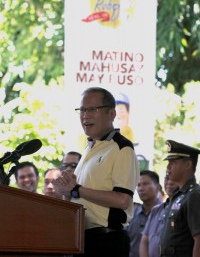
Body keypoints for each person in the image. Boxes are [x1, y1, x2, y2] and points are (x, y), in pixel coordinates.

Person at [52, 87, 139, 257]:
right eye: (82, 110)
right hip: (82, 239)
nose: (85, 115)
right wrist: (66, 192)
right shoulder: (88, 149)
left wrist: (76, 189)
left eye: (92, 109)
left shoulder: (122, 148)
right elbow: (77, 196)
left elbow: (122, 200)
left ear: (111, 114)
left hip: (107, 241)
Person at [160, 139, 200, 257]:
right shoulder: (178, 195)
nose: (168, 168)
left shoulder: (194, 195)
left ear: (188, 164)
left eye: (173, 163)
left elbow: (199, 239)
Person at [139, 175, 178, 257]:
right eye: (167, 179)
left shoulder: (184, 207)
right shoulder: (156, 210)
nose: (170, 182)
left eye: (174, 179)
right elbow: (144, 241)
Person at [125, 170, 161, 257]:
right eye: (138, 185)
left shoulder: (165, 213)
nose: (141, 188)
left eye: (145, 184)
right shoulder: (131, 215)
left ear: (157, 187)